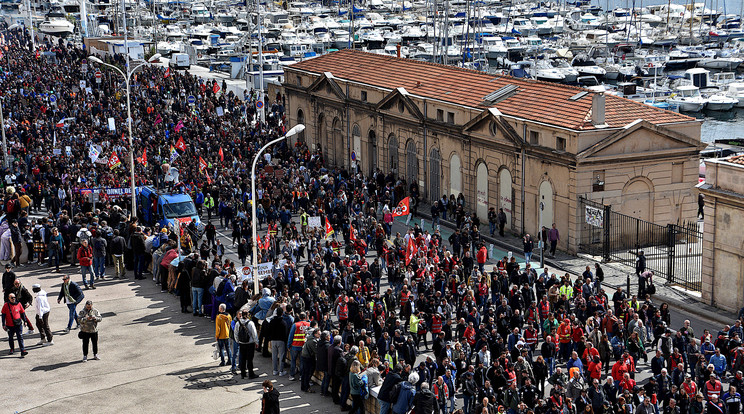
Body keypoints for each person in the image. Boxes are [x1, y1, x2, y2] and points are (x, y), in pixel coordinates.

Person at [1, 291, 33, 357]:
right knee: (10, 337)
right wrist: (3, 324)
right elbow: (3, 315)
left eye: (14, 297)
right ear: (9, 298)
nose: (13, 299)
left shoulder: (18, 304)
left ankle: (22, 350)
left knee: (20, 337)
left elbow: (22, 313)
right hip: (10, 325)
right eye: (12, 298)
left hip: (18, 324)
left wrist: (25, 321)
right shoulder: (6, 305)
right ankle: (12, 349)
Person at [235, 309, 259, 379]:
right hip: (250, 343)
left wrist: (238, 341)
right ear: (247, 315)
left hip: (242, 343)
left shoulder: (238, 323)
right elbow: (254, 334)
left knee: (242, 358)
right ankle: (251, 373)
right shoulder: (250, 323)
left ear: (241, 315)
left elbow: (235, 333)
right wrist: (256, 342)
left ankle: (243, 373)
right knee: (250, 359)